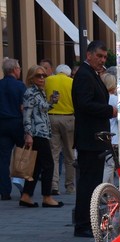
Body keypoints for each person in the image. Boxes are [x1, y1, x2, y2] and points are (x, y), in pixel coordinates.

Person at [71, 40, 117, 238]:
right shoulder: (84, 75)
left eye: (105, 57)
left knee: (93, 182)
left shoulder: (92, 74)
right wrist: (109, 110)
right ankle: (83, 224)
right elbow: (84, 104)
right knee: (88, 183)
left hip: (95, 138)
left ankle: (89, 222)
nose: (102, 60)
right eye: (99, 56)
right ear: (89, 55)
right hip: (89, 138)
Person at [20, 64, 63, 208]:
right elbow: (27, 115)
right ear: (31, 78)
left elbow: (42, 110)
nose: (42, 78)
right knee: (48, 165)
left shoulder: (40, 92)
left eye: (44, 75)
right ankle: (47, 196)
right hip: (36, 133)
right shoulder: (30, 93)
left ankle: (26, 195)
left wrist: (51, 102)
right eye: (39, 75)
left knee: (36, 166)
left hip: (43, 132)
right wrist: (28, 134)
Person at [44, 64, 75, 195]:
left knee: (54, 153)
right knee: (69, 154)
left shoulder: (49, 80)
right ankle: (69, 186)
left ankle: (54, 184)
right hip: (68, 118)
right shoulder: (72, 82)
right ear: (67, 74)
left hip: (51, 117)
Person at [0, 58, 27, 200]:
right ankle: (23, 189)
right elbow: (23, 107)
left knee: (3, 158)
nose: (20, 70)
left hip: (2, 124)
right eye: (19, 68)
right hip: (17, 123)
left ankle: (5, 191)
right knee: (22, 155)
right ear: (14, 70)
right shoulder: (20, 86)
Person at [101, 73, 118, 184]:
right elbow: (119, 119)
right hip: (114, 135)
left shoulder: (101, 98)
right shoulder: (115, 99)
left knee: (107, 164)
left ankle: (109, 193)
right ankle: (101, 189)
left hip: (104, 134)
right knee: (110, 164)